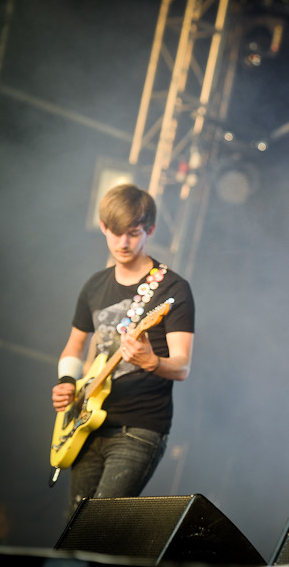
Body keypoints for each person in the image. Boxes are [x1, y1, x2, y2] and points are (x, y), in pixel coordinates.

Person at [51, 183, 195, 514]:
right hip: (87, 423)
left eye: (133, 233)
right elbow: (74, 346)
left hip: (140, 428)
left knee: (100, 526)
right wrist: (66, 383)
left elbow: (183, 366)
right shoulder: (95, 286)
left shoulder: (173, 289)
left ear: (150, 230)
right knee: (75, 525)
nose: (123, 243)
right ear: (103, 227)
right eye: (115, 233)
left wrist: (151, 362)